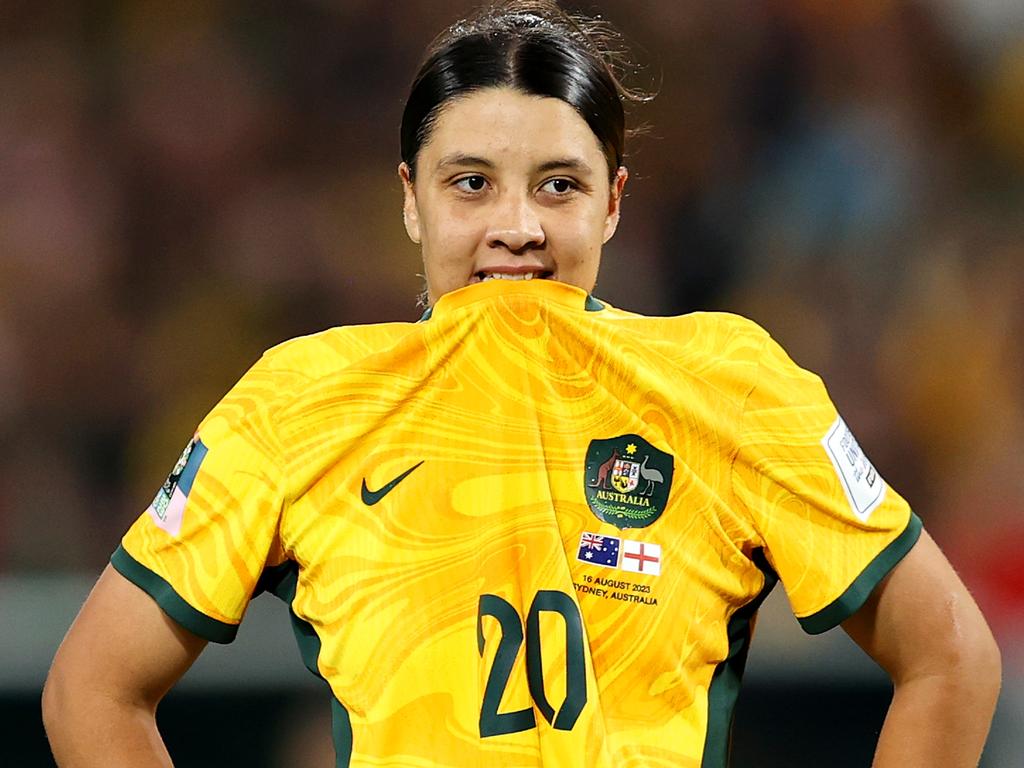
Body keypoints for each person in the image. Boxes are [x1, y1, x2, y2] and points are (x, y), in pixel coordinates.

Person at [42, 1, 1001, 766]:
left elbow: (952, 657)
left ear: (615, 203)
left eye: (558, 185)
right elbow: (92, 688)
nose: (516, 227)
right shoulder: (302, 400)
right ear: (408, 200)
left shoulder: (731, 383)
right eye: (469, 183)